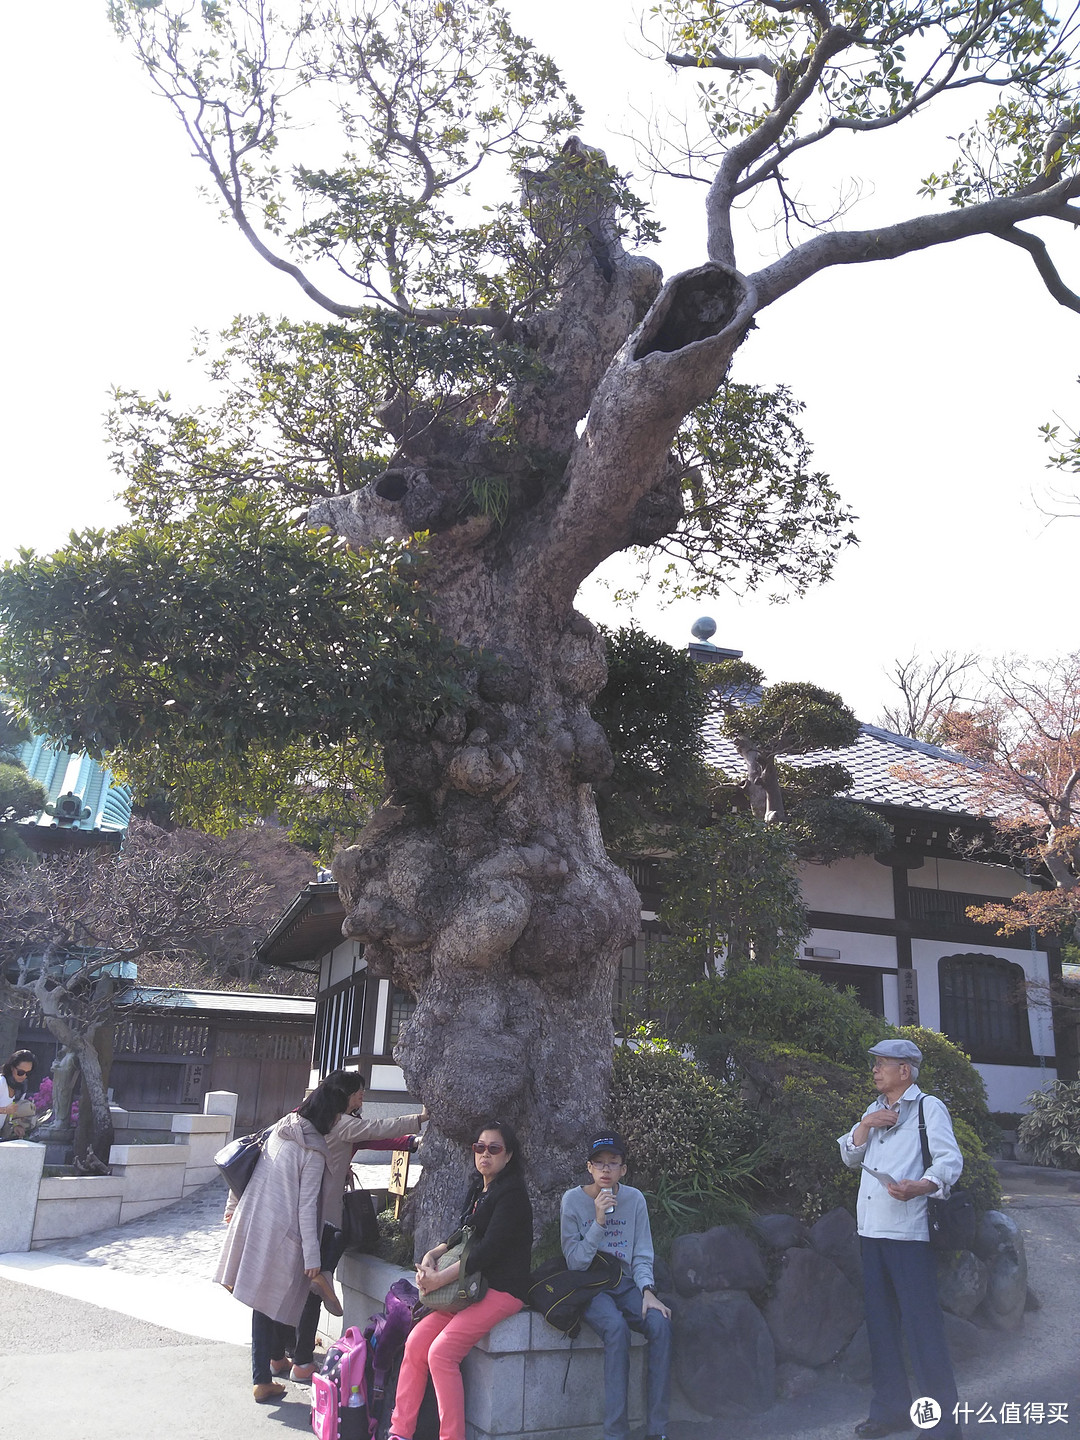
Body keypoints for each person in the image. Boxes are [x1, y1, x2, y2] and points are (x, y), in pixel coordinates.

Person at [839, 1038, 964, 1439]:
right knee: (881, 1327)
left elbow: (949, 1160)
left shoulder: (929, 1108)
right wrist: (863, 1126)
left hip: (909, 1234)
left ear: (904, 1071)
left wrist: (921, 1186)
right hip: (870, 1231)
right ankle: (890, 1410)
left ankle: (943, 1425)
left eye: (882, 1064)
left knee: (922, 1329)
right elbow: (848, 1156)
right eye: (874, 1063)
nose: (874, 1070)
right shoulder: (874, 1110)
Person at [214, 1071, 356, 1402]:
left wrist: (233, 1205)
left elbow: (248, 1160)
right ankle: (262, 1379)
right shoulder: (313, 1151)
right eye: (339, 1116)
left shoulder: (284, 1127)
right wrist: (312, 1258)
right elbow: (307, 1208)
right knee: (267, 1302)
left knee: (265, 1300)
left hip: (255, 1221)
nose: (339, 1122)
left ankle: (274, 1362)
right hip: (282, 1234)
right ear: (330, 1115)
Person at [389, 1120, 533, 1440]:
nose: (485, 1155)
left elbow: (486, 1252)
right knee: (415, 1344)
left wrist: (438, 1279)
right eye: (479, 1148)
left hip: (499, 1289)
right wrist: (433, 1254)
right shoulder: (480, 1187)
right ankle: (399, 1431)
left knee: (441, 1354)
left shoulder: (512, 1196)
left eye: (494, 1149)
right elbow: (463, 1232)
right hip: (468, 1288)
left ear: (508, 1156)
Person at [289, 1068, 427, 1381]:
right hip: (326, 1220)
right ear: (344, 1095)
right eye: (359, 1091)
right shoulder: (342, 1123)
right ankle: (300, 1360)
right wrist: (418, 1119)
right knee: (316, 1285)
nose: (363, 1096)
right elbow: (376, 1130)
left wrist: (406, 1142)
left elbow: (368, 1138)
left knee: (295, 1284)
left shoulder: (305, 1118)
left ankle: (283, 1352)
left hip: (296, 1214)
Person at [560, 1131, 671, 1440]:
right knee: (616, 1328)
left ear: (623, 1168)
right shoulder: (572, 1201)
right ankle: (615, 1434)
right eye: (599, 1163)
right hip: (592, 1285)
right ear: (589, 1167)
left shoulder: (634, 1199)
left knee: (660, 1323)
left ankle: (658, 1430)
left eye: (613, 1163)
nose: (605, 1170)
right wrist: (598, 1221)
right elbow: (575, 1263)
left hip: (626, 1283)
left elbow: (642, 1252)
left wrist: (648, 1291)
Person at [0, 1050, 37, 1140]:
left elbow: (12, 1115)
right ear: (12, 1068)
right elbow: (8, 1111)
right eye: (20, 1072)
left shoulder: (21, 1088)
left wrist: (16, 1126)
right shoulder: (1, 1082)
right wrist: (5, 1110)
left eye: (28, 1073)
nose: (24, 1076)